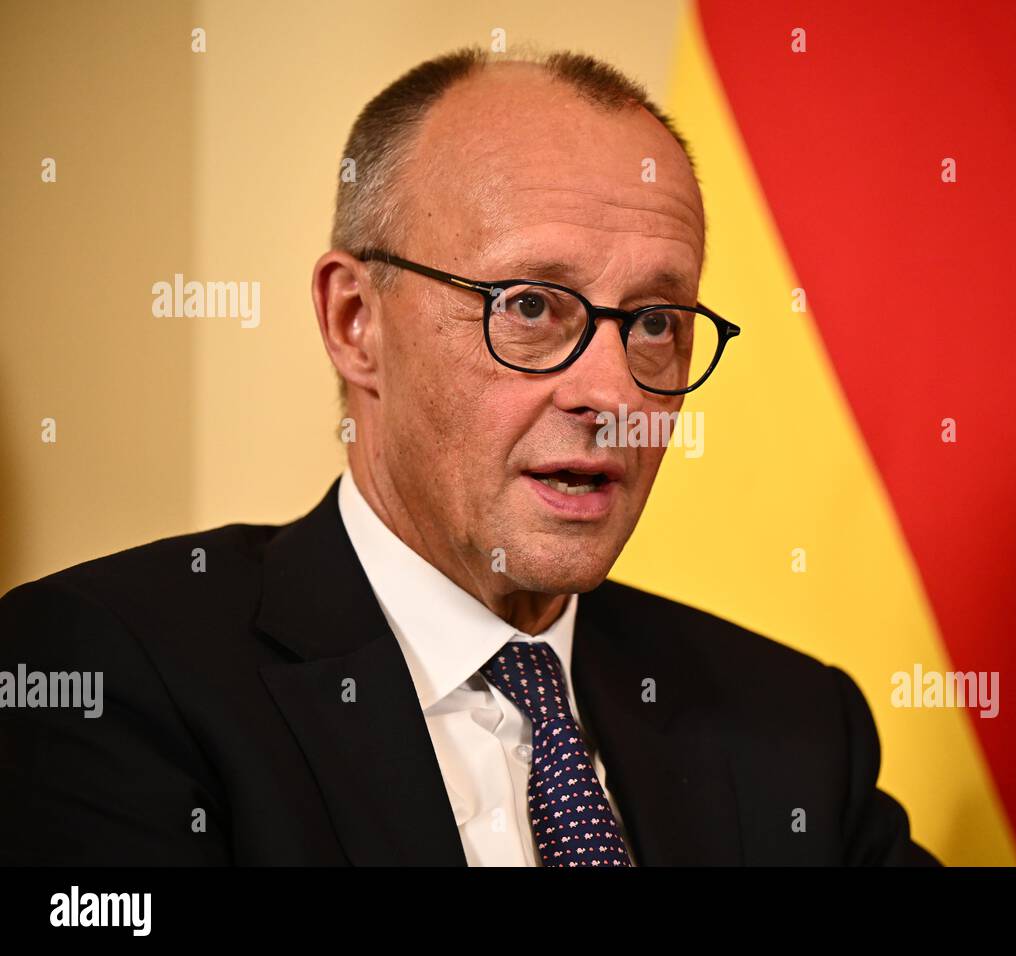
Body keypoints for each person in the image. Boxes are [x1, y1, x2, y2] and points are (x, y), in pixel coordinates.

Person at [0, 47, 936, 866]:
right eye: (529, 305)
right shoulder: (109, 679)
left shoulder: (793, 726)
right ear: (354, 322)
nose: (614, 396)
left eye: (655, 322)